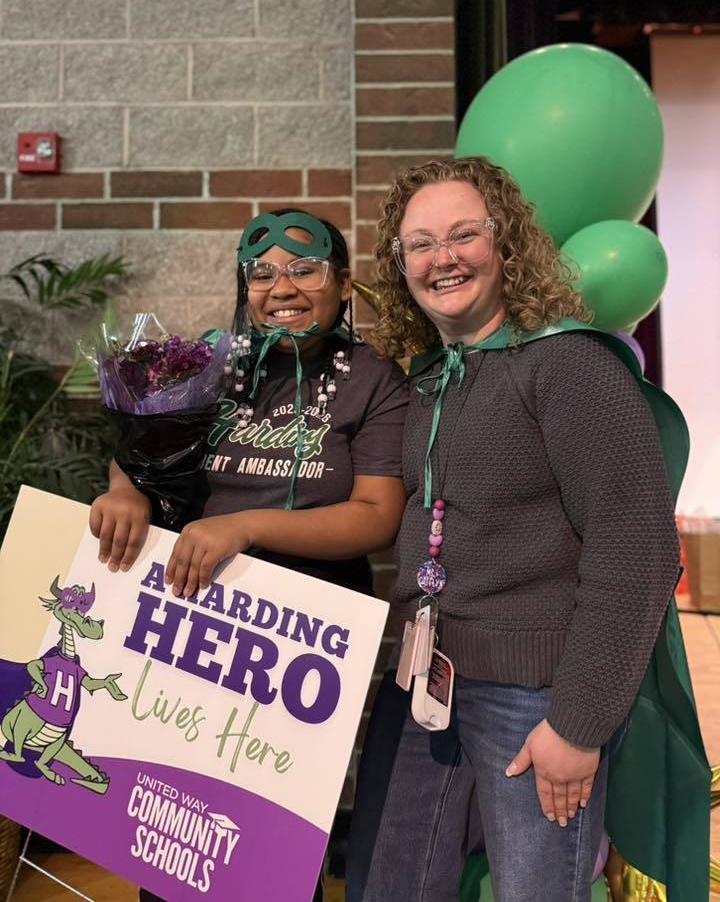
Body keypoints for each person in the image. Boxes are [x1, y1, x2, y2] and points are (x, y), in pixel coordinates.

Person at [345, 157, 701, 902]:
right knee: (390, 886)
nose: (442, 258)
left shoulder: (571, 367)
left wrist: (578, 725)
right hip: (424, 682)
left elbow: (636, 553)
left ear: (505, 242)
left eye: (463, 234)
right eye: (420, 244)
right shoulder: (433, 377)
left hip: (534, 696)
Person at [89, 209, 409, 901]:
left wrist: (246, 527)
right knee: (173, 842)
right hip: (188, 632)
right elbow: (142, 456)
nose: (281, 287)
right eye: (261, 273)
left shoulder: (373, 378)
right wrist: (125, 491)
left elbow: (377, 517)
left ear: (342, 282)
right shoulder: (211, 360)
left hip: (299, 651)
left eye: (304, 269)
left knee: (272, 850)